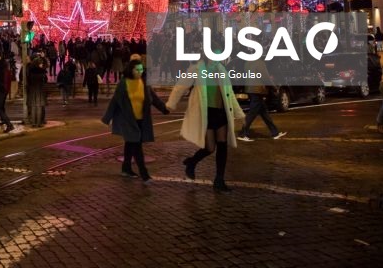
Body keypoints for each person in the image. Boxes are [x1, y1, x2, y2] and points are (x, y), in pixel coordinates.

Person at [166, 43, 245, 192]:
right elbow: (180, 86)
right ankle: (192, 162)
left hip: (221, 112)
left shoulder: (222, 70)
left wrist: (239, 113)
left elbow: (230, 95)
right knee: (210, 148)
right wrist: (171, 103)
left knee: (222, 146)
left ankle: (219, 180)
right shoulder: (196, 69)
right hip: (207, 113)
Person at [101, 60, 170, 181]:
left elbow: (153, 98)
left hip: (141, 120)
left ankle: (126, 168)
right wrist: (107, 118)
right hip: (128, 120)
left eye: (141, 69)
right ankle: (144, 174)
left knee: (130, 144)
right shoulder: (124, 83)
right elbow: (115, 101)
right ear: (130, 70)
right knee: (137, 146)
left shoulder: (144, 83)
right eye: (137, 70)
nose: (140, 72)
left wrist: (164, 109)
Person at [237, 58, 287, 141]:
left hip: (251, 89)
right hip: (258, 90)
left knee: (264, 113)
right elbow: (266, 77)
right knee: (252, 114)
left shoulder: (247, 63)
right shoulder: (260, 63)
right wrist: (274, 87)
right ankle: (243, 134)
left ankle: (275, 133)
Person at [27, 55, 48, 127]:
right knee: (39, 107)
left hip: (32, 91)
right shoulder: (42, 73)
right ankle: (38, 123)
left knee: (33, 107)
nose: (41, 64)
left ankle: (33, 123)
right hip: (40, 91)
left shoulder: (31, 72)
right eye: (40, 63)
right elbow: (45, 81)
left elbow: (28, 81)